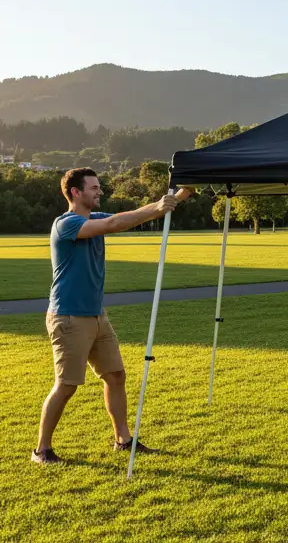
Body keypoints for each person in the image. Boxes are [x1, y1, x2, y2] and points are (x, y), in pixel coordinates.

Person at [32, 168, 193, 465]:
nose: (100, 191)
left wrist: (180, 196)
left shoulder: (92, 218)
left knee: (116, 376)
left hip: (96, 315)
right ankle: (42, 450)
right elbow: (116, 223)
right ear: (76, 192)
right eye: (94, 188)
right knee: (66, 385)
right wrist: (158, 206)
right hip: (68, 317)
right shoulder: (66, 224)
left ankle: (124, 440)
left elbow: (132, 213)